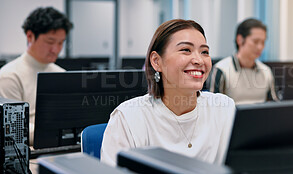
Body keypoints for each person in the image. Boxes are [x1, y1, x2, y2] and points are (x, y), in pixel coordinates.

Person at [101, 19, 236, 166]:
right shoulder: (129, 117)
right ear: (156, 61)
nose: (199, 60)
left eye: (205, 52)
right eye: (186, 50)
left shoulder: (224, 108)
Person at [0, 7, 73, 145]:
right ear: (30, 36)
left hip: (61, 148)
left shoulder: (61, 74)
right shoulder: (9, 76)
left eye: (61, 42)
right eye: (50, 42)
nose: (56, 49)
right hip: (31, 153)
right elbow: (13, 129)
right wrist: (57, 133)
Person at [209, 18, 278, 104]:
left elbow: (274, 104)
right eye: (255, 42)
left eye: (263, 42)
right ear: (240, 40)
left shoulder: (266, 71)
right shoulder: (221, 69)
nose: (260, 47)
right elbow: (213, 107)